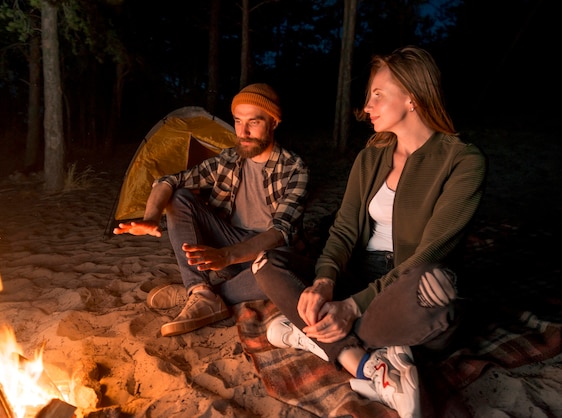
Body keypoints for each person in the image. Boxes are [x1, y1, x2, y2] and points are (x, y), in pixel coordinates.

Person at [251, 46, 486, 418]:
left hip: (406, 287)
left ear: (412, 96)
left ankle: (309, 336)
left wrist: (350, 308)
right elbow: (344, 229)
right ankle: (361, 362)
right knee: (267, 263)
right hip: (357, 277)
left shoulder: (463, 161)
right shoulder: (371, 157)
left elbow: (430, 253)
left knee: (434, 285)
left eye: (377, 94)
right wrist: (326, 282)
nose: (366, 106)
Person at [114, 83, 309, 337]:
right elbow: (168, 181)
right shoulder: (228, 160)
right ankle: (200, 291)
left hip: (267, 255)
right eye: (238, 121)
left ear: (273, 123)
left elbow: (279, 233)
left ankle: (203, 293)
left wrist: (227, 256)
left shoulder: (294, 168)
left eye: (254, 122)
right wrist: (151, 218)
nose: (243, 131)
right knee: (180, 196)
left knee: (278, 271)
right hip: (227, 246)